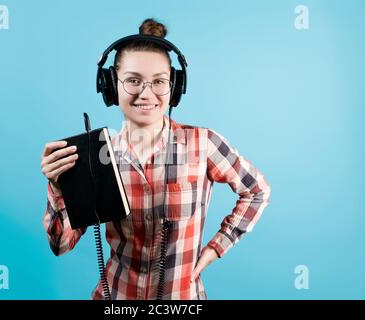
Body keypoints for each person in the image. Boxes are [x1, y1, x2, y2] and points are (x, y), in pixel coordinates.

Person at [40, 18, 271, 300]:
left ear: (174, 87)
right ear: (111, 86)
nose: (146, 93)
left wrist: (217, 247)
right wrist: (58, 188)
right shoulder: (96, 157)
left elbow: (257, 191)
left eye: (159, 81)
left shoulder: (203, 144)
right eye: (133, 80)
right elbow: (61, 245)